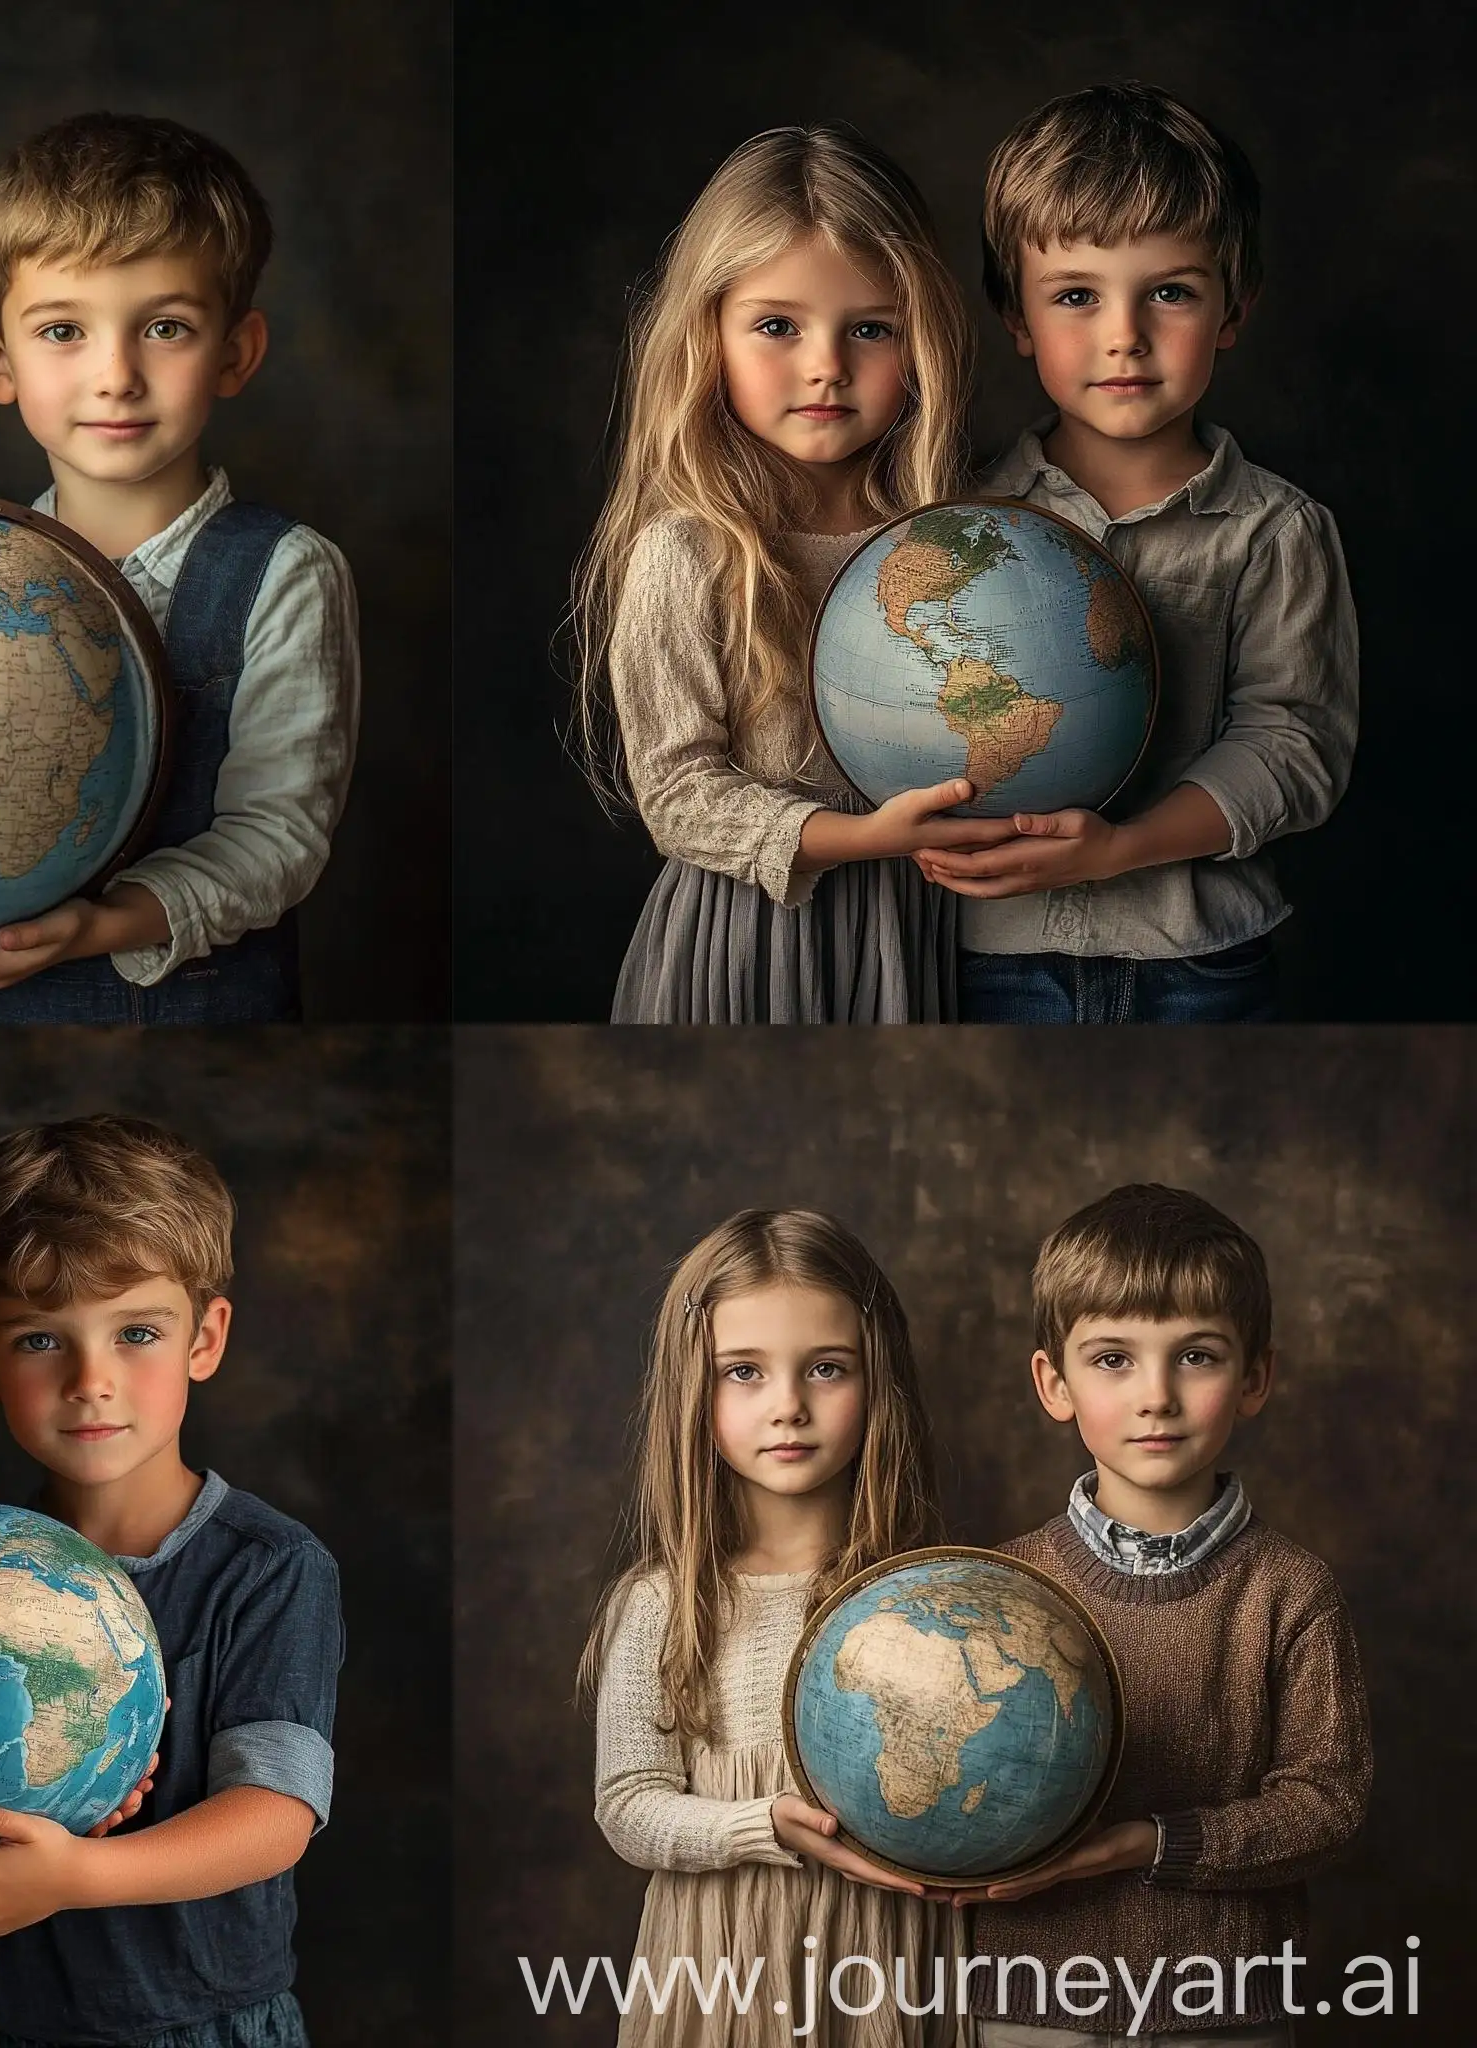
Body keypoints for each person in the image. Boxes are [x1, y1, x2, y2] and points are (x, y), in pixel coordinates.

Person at [0, 115, 360, 1023]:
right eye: (63, 330)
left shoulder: (285, 572)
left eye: (165, 327)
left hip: (207, 1016)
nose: (116, 375)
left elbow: (280, 835)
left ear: (236, 354)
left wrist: (105, 925)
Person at [0, 1115, 343, 2048]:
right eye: (39, 1340)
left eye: (136, 1331)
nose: (91, 1381)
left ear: (204, 1339)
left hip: (205, 2026)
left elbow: (275, 1816)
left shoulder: (269, 1569)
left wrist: (75, 1877)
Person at [916, 85, 1359, 1023]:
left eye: (1171, 292)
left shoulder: (1276, 532)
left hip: (1200, 959)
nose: (1125, 335)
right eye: (1077, 295)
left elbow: (1295, 743)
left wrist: (1126, 847)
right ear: (1016, 313)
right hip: (989, 960)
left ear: (1234, 309)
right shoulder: (954, 523)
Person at [573, 124, 1016, 1023]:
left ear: (921, 342)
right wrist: (858, 838)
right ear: (710, 336)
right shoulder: (687, 551)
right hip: (755, 939)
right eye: (778, 325)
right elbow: (676, 792)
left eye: (870, 329)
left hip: (920, 925)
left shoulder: (955, 541)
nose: (826, 366)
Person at [960, 1184, 1371, 2044]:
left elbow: (1327, 1804)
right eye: (1113, 1359)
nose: (1157, 1395)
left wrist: (1151, 1844)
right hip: (1028, 2005)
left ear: (1255, 1377)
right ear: (1054, 1382)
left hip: (1222, 2010)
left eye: (1197, 1356)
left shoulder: (1290, 1590)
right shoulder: (999, 1587)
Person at [580, 1209, 954, 2045]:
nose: (788, 1406)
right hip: (720, 1969)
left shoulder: (931, 1601)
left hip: (887, 1965)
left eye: (826, 1368)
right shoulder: (663, 1604)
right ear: (693, 1389)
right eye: (742, 1372)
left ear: (878, 1379)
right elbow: (628, 1804)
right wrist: (757, 1824)